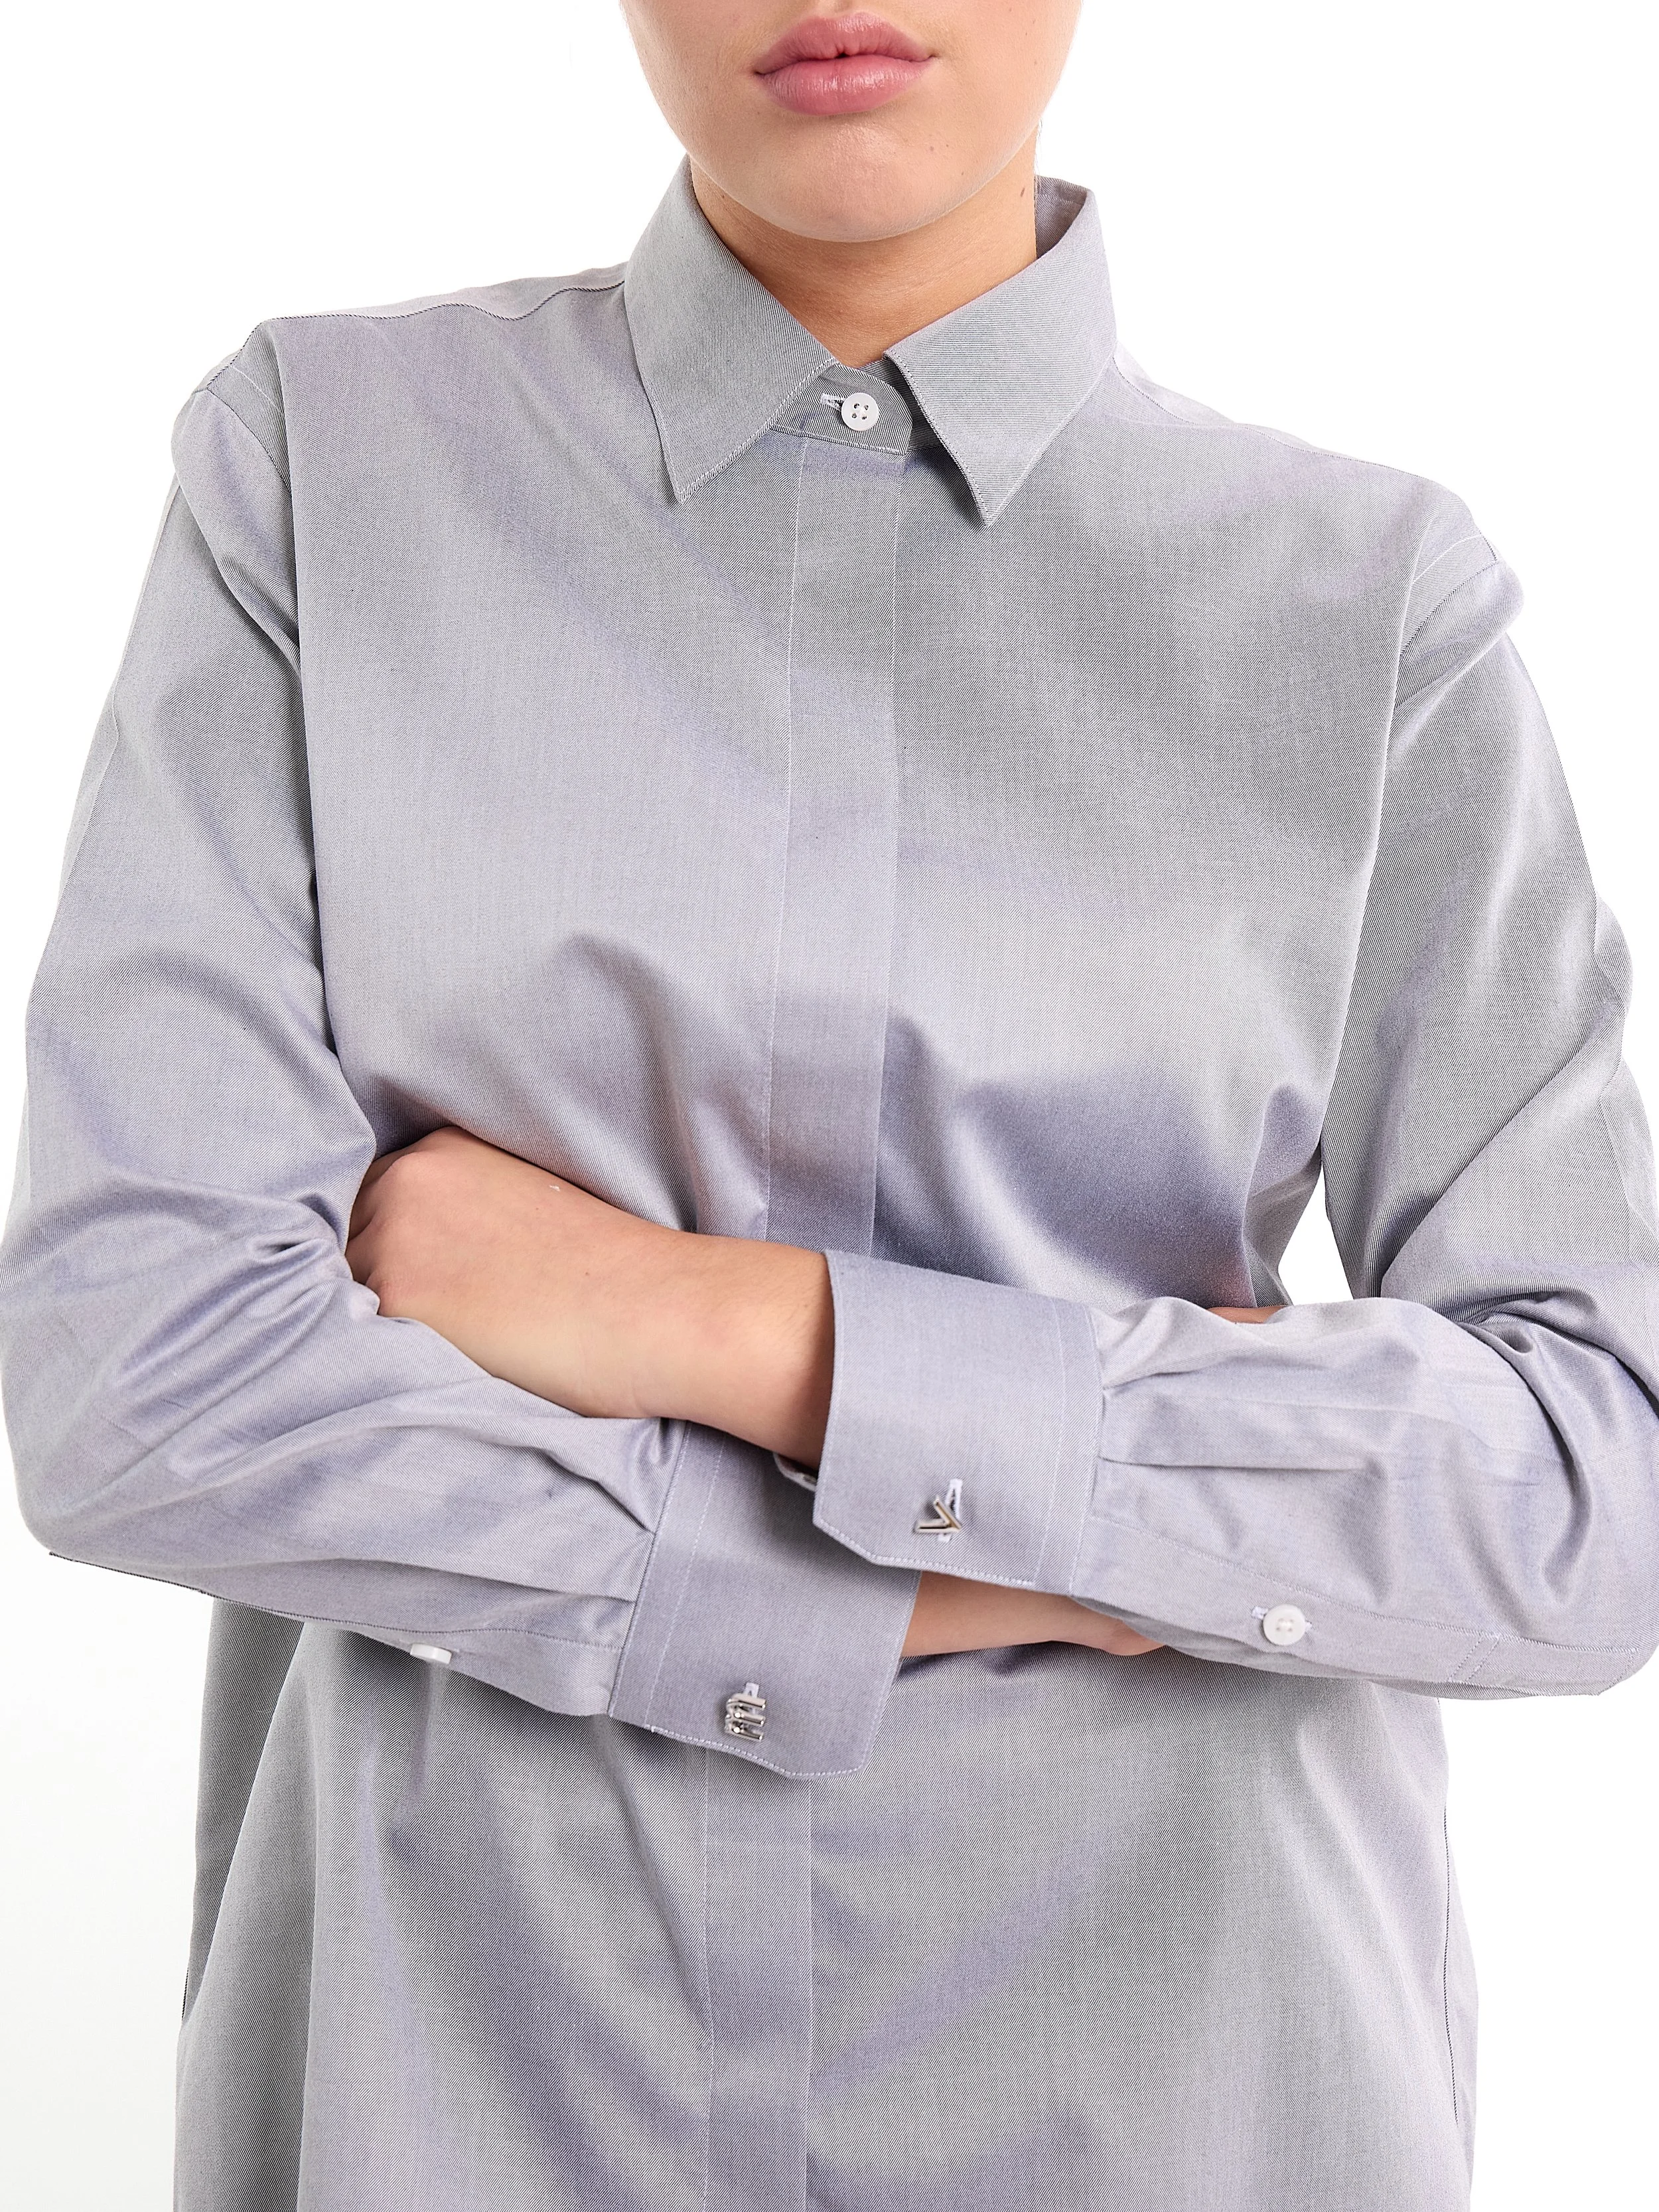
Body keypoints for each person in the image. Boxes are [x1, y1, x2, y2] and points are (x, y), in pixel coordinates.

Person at [3, 3, 1656, 2206]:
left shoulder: (1363, 605)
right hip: (479, 2086)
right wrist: (1038, 1554)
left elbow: (1586, 1480)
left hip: (1181, 2093)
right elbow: (141, 1381)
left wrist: (710, 1323)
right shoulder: (322, 470)